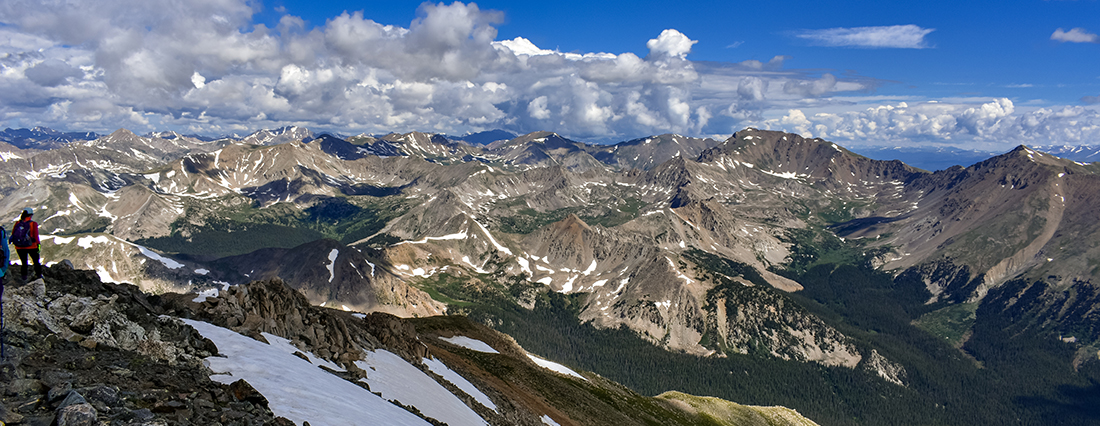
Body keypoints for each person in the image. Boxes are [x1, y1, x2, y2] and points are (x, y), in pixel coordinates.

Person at [12, 208, 42, 281]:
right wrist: (38, 245)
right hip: (32, 246)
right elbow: (36, 236)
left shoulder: (17, 223)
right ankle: (39, 276)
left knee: (24, 262)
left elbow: (13, 234)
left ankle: (24, 278)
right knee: (36, 262)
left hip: (19, 247)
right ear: (31, 215)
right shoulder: (33, 224)